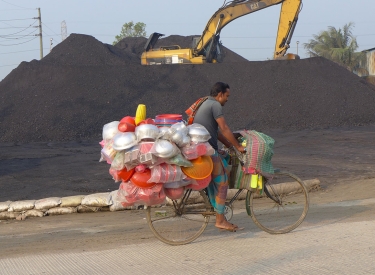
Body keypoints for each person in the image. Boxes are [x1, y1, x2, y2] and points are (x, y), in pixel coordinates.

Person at [190, 82, 245, 232]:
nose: (228, 99)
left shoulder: (205, 102)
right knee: (223, 183)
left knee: (225, 158)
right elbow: (224, 128)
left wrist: (229, 145)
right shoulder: (215, 105)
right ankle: (220, 220)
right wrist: (238, 147)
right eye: (227, 96)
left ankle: (218, 212)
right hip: (206, 151)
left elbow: (217, 133)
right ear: (220, 94)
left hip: (202, 149)